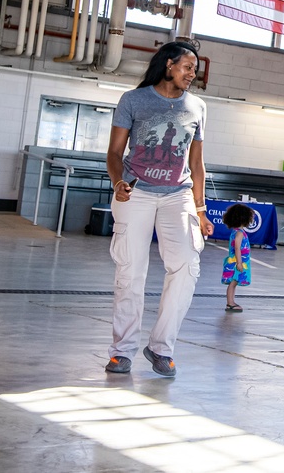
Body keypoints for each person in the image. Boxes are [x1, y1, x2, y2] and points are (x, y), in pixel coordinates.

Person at [104, 41, 213, 378]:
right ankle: (122, 351)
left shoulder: (197, 107)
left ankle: (161, 347)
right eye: (187, 67)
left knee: (186, 267)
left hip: (177, 195)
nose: (192, 74)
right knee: (130, 271)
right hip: (134, 193)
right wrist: (117, 181)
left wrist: (201, 209)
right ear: (168, 65)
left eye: (195, 69)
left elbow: (197, 163)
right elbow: (114, 152)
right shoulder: (133, 101)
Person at [222, 203, 255, 312]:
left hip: (236, 261)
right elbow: (237, 248)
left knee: (234, 282)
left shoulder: (236, 232)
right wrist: (239, 263)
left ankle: (231, 302)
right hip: (237, 261)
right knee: (234, 282)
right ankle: (230, 303)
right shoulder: (239, 233)